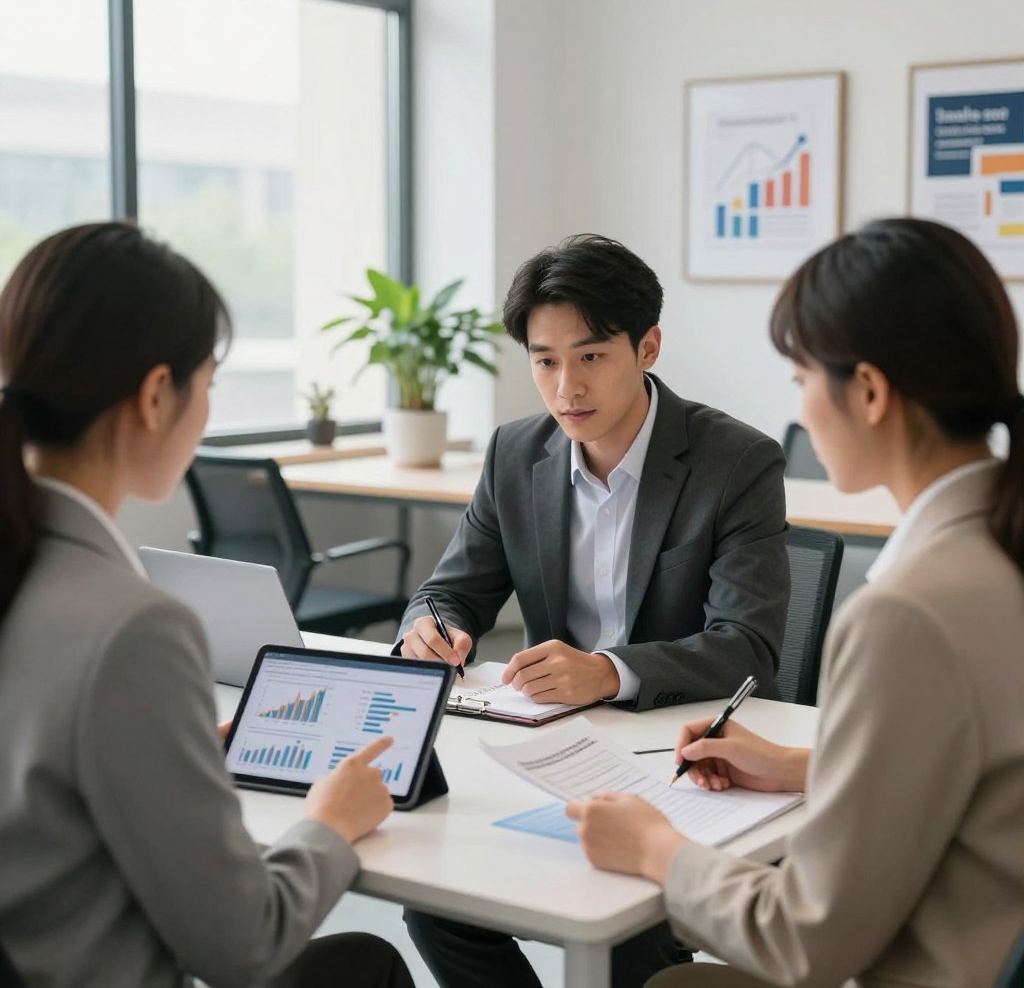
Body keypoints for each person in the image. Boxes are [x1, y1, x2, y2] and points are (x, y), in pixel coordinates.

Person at [566, 217, 1024, 988]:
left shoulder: (907, 614)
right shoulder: (997, 549)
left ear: (870, 391)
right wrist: (807, 766)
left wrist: (655, 849)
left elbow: (805, 942)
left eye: (802, 380)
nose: (803, 409)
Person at [0, 222, 413, 988]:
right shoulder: (132, 628)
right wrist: (331, 821)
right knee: (370, 965)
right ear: (158, 395)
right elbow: (241, 947)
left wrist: (176, 753)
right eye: (210, 384)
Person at [399, 234, 790, 988]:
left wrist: (609, 672)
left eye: (590, 356)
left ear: (647, 348)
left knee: (627, 947)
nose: (565, 387)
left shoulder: (734, 462)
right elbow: (450, 590)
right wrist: (431, 624)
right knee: (436, 904)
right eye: (544, 360)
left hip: (675, 759)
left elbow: (747, 647)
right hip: (550, 752)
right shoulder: (516, 454)